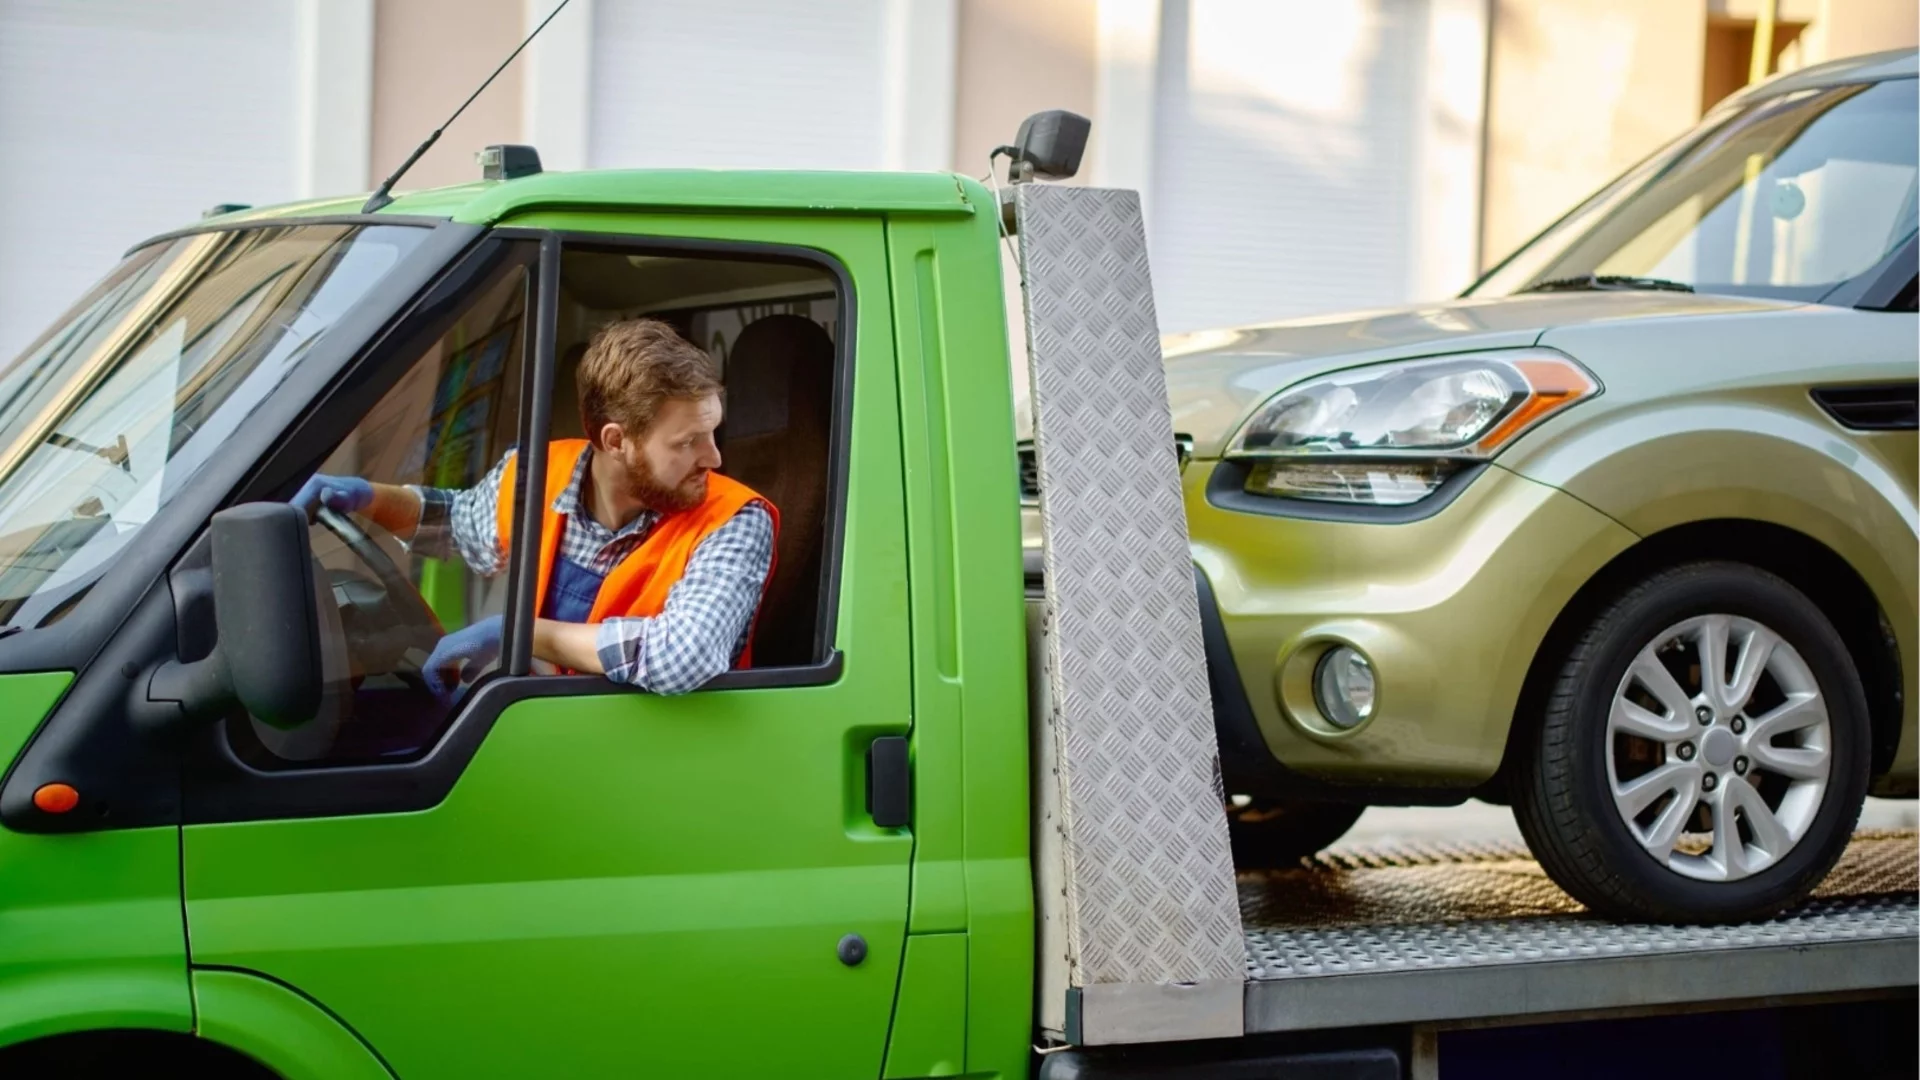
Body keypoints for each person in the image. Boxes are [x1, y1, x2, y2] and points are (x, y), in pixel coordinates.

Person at [294, 318, 778, 699]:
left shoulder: (735, 521)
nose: (714, 457)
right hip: (554, 736)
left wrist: (523, 635)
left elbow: (682, 657)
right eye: (689, 441)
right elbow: (458, 522)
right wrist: (368, 498)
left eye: (712, 432)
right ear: (616, 441)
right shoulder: (534, 475)